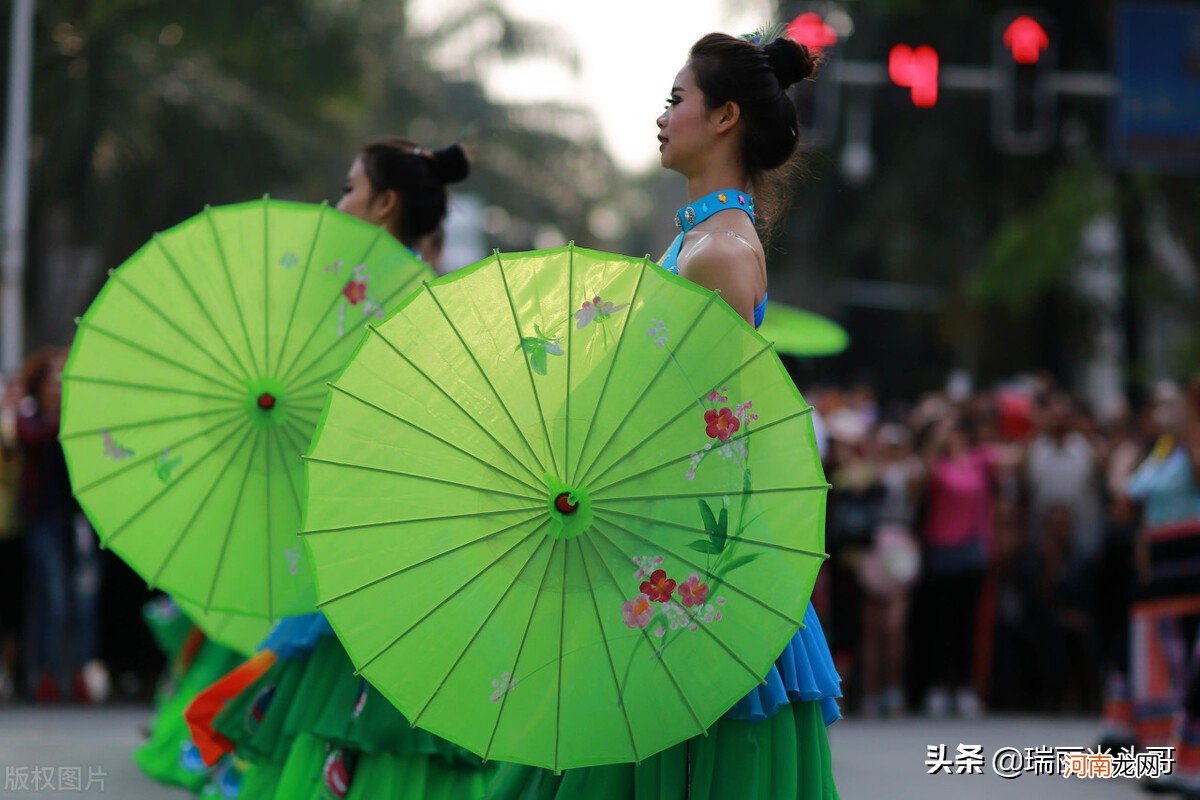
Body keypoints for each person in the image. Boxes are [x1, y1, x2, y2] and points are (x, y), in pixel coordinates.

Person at [485, 30, 841, 799]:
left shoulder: (718, 252)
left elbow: (717, 429)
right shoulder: (697, 241)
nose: (664, 114)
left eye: (678, 99)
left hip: (685, 554)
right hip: (661, 538)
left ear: (724, 119)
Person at [183, 138, 480, 800]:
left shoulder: (362, 293)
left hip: (369, 529)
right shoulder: (425, 296)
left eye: (350, 187)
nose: (338, 200)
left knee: (341, 698)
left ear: (384, 204)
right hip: (397, 530)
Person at [16, 347, 109, 704]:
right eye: (52, 378)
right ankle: (46, 674)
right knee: (51, 598)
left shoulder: (80, 420)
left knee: (83, 599)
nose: (57, 385)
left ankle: (80, 671)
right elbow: (32, 437)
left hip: (79, 518)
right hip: (43, 519)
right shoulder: (32, 419)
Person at [917, 415, 992, 718]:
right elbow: (921, 477)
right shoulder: (936, 466)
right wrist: (935, 441)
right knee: (941, 623)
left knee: (966, 623)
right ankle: (938, 685)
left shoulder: (978, 461)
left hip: (972, 550)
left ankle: (964, 687)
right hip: (941, 550)